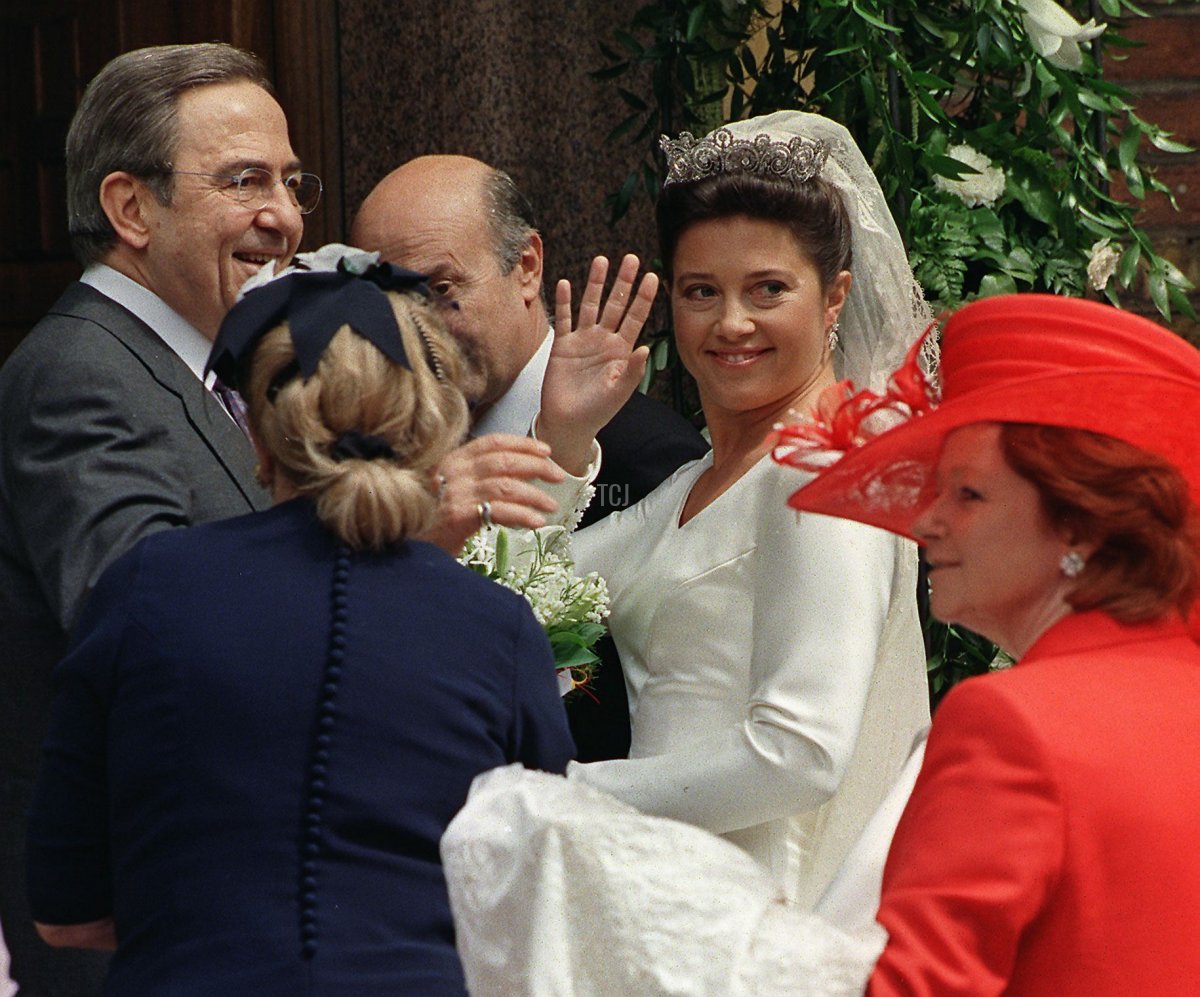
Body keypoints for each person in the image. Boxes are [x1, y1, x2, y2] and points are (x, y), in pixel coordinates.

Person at [443, 292, 1200, 996]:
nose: (925, 519)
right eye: (700, 288)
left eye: (967, 493)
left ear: (1077, 520)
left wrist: (571, 812)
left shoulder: (1012, 722)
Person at [25, 258, 575, 996]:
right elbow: (537, 903)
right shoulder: (497, 626)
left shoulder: (145, 587)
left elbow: (65, 912)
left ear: (259, 432)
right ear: (435, 428)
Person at [528, 110, 932, 908]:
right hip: (672, 905)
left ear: (834, 297)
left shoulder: (823, 470)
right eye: (701, 291)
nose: (732, 323)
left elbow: (801, 751)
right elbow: (519, 611)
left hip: (770, 919)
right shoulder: (692, 486)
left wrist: (573, 798)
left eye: (768, 289)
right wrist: (565, 439)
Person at [0, 42, 312, 995]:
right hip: (131, 930)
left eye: (294, 183)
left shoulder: (215, 367)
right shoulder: (79, 374)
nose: (287, 219)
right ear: (131, 208)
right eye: (245, 181)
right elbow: (147, 621)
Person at [350, 155, 709, 761]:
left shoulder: (649, 460)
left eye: (440, 290)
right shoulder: (372, 448)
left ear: (526, 267)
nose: (413, 330)